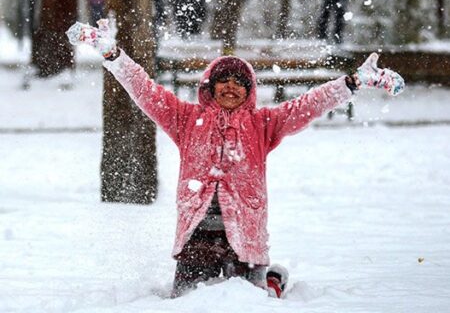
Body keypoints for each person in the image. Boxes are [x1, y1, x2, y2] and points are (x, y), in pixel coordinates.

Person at [66, 20, 404, 298]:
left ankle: (271, 279)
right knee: (185, 301)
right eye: (222, 81)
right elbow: (144, 89)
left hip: (244, 236)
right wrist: (112, 53)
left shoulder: (263, 124)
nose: (230, 87)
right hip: (195, 237)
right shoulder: (185, 119)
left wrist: (353, 82)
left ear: (250, 91)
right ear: (209, 88)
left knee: (249, 301)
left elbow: (308, 104)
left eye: (238, 83)